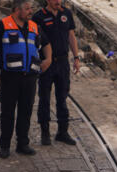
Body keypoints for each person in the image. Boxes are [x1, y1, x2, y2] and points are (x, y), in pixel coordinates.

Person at [0, 0, 52, 159]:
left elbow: (46, 44)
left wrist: (48, 59)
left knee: (26, 111)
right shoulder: (2, 25)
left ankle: (22, 144)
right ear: (17, 10)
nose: (31, 11)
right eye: (28, 8)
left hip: (30, 77)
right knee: (7, 112)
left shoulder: (34, 27)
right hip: (10, 77)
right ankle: (4, 146)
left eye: (31, 8)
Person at [32, 0, 80, 146]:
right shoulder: (39, 17)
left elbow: (71, 36)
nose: (58, 1)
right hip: (47, 63)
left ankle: (62, 132)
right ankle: (45, 133)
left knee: (62, 97)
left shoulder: (66, 13)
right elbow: (33, 40)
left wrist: (76, 57)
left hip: (63, 62)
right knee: (45, 98)